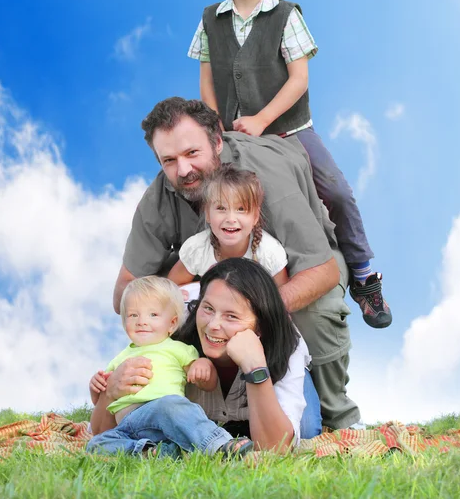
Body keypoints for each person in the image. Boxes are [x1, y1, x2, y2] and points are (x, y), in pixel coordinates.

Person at [187, 0, 391, 330]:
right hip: (234, 136)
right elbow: (208, 79)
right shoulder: (211, 19)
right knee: (202, 190)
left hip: (289, 130)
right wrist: (214, 129)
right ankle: (196, 288)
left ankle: (365, 274)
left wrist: (263, 119)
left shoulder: (286, 15)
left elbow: (299, 79)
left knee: (335, 188)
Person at [113, 96, 360, 430]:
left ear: (217, 140)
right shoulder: (159, 199)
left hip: (306, 264)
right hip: (210, 287)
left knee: (315, 311)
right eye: (168, 160)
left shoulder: (266, 181)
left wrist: (250, 311)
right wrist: (186, 309)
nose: (183, 170)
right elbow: (126, 291)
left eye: (192, 153)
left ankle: (336, 412)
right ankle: (175, 397)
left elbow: (324, 270)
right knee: (152, 300)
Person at [94, 258, 322, 450]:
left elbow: (276, 448)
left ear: (259, 326)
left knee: (306, 428)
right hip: (190, 412)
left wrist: (255, 367)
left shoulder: (286, 345)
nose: (213, 325)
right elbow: (102, 432)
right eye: (208, 308)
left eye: (231, 316)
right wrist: (110, 392)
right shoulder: (171, 327)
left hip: (269, 365)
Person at [87, 276, 253, 458]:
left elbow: (208, 384)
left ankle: (220, 445)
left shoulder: (177, 349)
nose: (141, 321)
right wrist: (97, 387)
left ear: (172, 323)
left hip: (164, 415)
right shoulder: (120, 358)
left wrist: (203, 366)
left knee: (172, 405)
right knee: (96, 444)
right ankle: (153, 452)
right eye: (133, 315)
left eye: (153, 315)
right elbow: (102, 400)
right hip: (127, 425)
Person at [168, 164, 289, 288]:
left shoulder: (269, 253)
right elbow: (172, 286)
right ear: (208, 214)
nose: (231, 219)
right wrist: (207, 288)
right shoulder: (197, 249)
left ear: (255, 216)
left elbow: (281, 300)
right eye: (221, 208)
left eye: (241, 209)